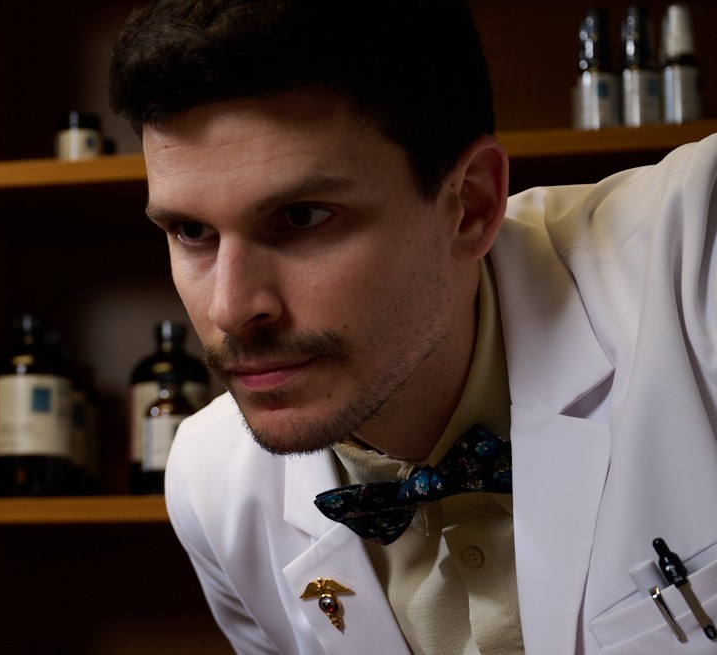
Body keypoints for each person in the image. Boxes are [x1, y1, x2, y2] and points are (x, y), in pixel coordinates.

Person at [110, 1, 717, 653]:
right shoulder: (210, 484)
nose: (230, 309)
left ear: (470, 205)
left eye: (304, 217)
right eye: (191, 231)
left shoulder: (694, 257)